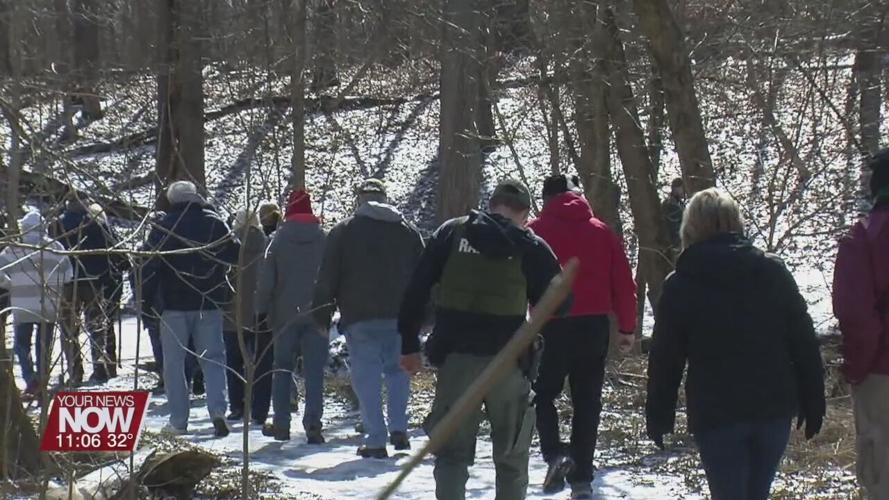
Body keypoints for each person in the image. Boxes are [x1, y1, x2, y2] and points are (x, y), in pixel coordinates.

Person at [646, 188, 825, 500]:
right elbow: (803, 340)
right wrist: (813, 399)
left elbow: (666, 358)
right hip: (772, 406)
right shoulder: (772, 271)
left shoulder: (681, 284)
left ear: (690, 227)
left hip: (716, 411)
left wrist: (659, 413)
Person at [399, 179, 567, 500]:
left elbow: (415, 289)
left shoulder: (451, 233)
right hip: (509, 364)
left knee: (451, 456)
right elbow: (563, 301)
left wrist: (408, 345)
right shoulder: (530, 245)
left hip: (456, 363)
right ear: (524, 213)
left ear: (491, 204)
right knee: (512, 458)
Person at [527, 174, 637, 499]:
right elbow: (624, 283)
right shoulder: (601, 231)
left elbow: (518, 280)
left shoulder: (535, 231)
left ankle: (555, 453)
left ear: (546, 198)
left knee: (542, 394)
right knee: (587, 401)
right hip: (593, 326)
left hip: (550, 324)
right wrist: (627, 329)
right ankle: (582, 481)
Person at [314, 178, 423, 457]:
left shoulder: (344, 231)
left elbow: (327, 277)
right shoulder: (407, 231)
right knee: (398, 373)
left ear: (359, 200)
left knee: (367, 377)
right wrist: (426, 314)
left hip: (360, 315)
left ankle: (376, 438)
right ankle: (399, 429)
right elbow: (424, 274)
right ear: (385, 197)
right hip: (401, 316)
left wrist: (321, 316)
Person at [141, 181, 240, 437]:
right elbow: (234, 254)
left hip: (172, 305)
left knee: (174, 364)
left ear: (172, 200)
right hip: (208, 302)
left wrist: (147, 302)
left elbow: (149, 267)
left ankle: (178, 420)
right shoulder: (215, 222)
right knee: (214, 359)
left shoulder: (163, 227)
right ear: (196, 197)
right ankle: (218, 411)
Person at [833, 147, 889, 500]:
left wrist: (856, 367)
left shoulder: (864, 236)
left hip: (882, 371)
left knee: (881, 469)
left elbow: (856, 316)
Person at [256, 188, 327, 442]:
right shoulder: (323, 239)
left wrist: (260, 309)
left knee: (282, 369)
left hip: (284, 316)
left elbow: (266, 280)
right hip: (317, 314)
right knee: (314, 372)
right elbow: (332, 276)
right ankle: (314, 425)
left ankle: (281, 424)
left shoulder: (277, 240)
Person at [0, 211, 72, 396]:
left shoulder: (15, 248)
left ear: (23, 228)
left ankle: (30, 380)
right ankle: (42, 379)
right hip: (48, 305)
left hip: (21, 305)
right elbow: (68, 274)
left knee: (21, 345)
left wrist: (9, 284)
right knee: (44, 346)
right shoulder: (54, 246)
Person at [56, 198, 125, 384]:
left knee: (69, 329)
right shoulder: (96, 223)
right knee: (96, 325)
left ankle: (75, 371)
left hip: (67, 283)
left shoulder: (58, 225)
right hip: (93, 281)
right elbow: (110, 251)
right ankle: (100, 367)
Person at [223, 208, 272, 426]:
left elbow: (222, 279)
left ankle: (237, 406)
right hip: (263, 311)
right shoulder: (268, 245)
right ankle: (260, 409)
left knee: (234, 362)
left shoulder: (230, 247)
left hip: (234, 312)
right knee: (262, 362)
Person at [662, 178, 686, 254]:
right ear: (676, 189)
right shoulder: (670, 204)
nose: (684, 191)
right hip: (675, 244)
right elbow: (674, 226)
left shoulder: (680, 204)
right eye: (682, 188)